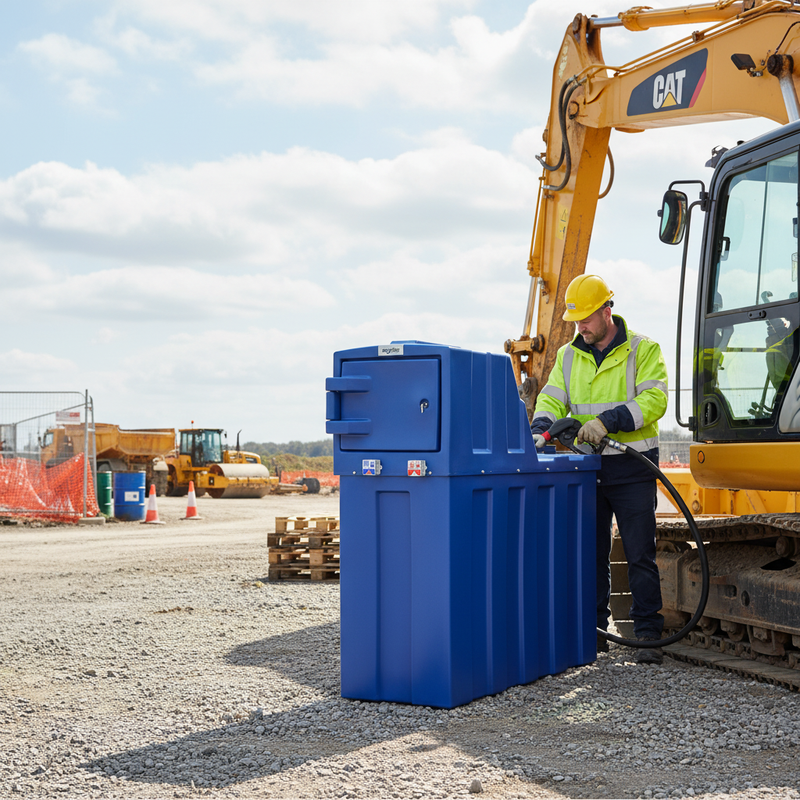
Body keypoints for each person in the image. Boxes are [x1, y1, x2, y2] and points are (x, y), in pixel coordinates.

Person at [530, 274, 668, 664]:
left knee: (640, 553)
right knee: (590, 554)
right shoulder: (568, 355)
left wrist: (609, 420)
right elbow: (552, 398)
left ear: (607, 311)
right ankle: (595, 633)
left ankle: (647, 635)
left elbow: (655, 400)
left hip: (633, 467)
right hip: (588, 469)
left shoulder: (643, 349)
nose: (580, 327)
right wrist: (540, 429)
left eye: (586, 319)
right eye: (576, 321)